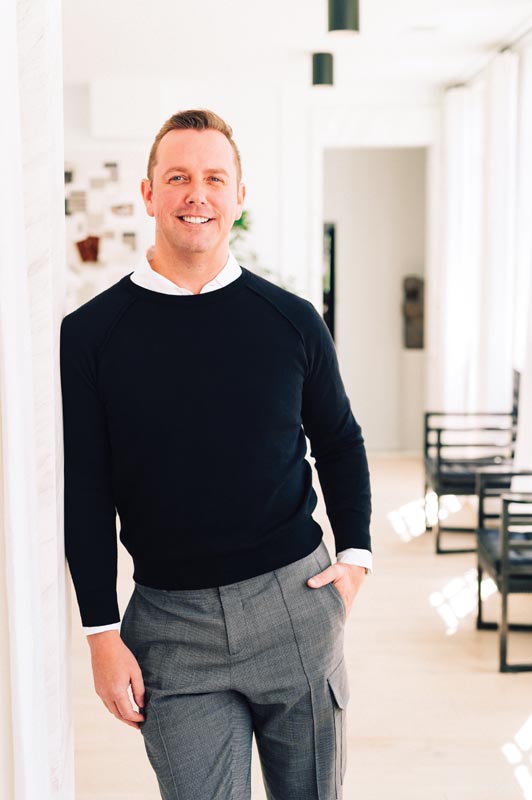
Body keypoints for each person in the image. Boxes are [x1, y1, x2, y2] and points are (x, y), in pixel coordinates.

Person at [60, 109, 372, 800]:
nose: (195, 193)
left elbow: (341, 441)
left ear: (238, 195)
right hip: (171, 631)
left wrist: (354, 558)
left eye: (212, 178)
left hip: (295, 604)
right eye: (177, 177)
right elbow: (83, 489)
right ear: (149, 194)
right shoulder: (88, 337)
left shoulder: (291, 320)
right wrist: (100, 634)